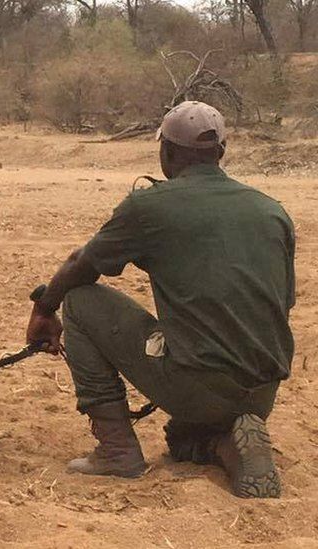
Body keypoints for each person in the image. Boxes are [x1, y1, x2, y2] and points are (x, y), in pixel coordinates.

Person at [26, 101, 294, 498]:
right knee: (181, 439)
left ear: (165, 153)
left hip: (197, 385)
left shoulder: (150, 206)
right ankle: (225, 439)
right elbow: (282, 304)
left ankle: (116, 449)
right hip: (263, 391)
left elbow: (81, 264)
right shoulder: (273, 212)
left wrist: (44, 308)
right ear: (221, 151)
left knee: (80, 301)